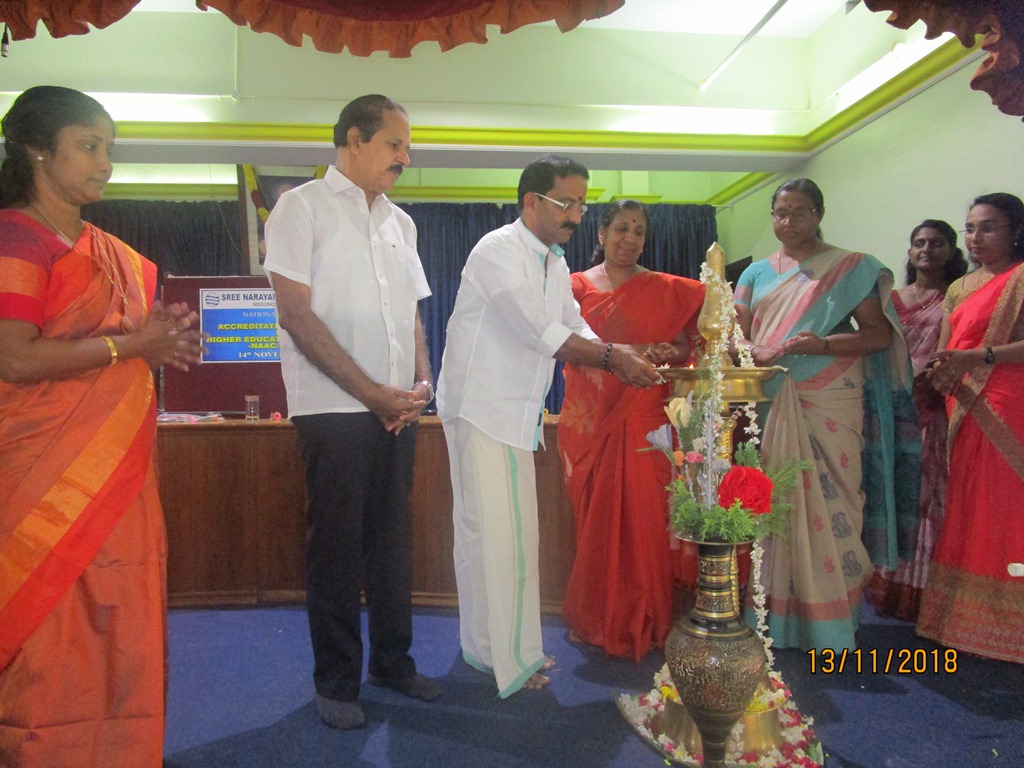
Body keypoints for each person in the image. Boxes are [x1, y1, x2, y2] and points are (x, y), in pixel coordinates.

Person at [0, 86, 205, 766]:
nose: (105, 163)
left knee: (122, 615)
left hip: (117, 477)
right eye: (89, 147)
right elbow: (14, 358)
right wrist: (132, 346)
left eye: (109, 149)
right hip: (40, 478)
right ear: (38, 151)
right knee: (50, 629)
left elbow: (126, 342)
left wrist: (162, 340)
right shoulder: (16, 239)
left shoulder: (111, 252)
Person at [436, 155, 662, 697]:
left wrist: (618, 351)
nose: (576, 215)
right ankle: (511, 661)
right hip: (483, 407)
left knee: (491, 535)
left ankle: (487, 649)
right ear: (531, 201)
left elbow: (572, 322)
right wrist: (612, 358)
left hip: (510, 413)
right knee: (500, 537)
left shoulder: (553, 262)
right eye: (566, 203)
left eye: (582, 204)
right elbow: (536, 330)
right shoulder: (497, 250)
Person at [263, 94, 441, 731]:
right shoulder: (300, 207)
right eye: (394, 144)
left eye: (407, 146)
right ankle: (337, 682)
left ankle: (392, 663)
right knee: (337, 545)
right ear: (354, 141)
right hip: (333, 407)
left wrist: (422, 379)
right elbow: (295, 315)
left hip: (396, 407)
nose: (405, 157)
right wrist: (371, 391)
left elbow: (411, 314)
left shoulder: (402, 223)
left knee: (392, 541)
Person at [733, 178, 917, 652]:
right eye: (780, 213)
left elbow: (877, 335)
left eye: (800, 212)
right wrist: (752, 350)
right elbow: (734, 336)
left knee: (835, 498)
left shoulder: (850, 267)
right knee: (775, 503)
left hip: (830, 395)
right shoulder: (754, 273)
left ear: (819, 214)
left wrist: (823, 344)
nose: (789, 222)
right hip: (772, 396)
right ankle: (772, 617)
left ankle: (829, 624)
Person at [556, 199, 705, 660]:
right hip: (591, 419)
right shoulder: (573, 286)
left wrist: (669, 352)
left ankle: (650, 617)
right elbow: (561, 344)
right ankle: (596, 618)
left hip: (646, 417)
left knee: (647, 520)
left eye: (639, 231)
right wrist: (628, 350)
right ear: (601, 234)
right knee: (596, 522)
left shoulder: (667, 290)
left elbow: (687, 345)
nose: (630, 238)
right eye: (621, 228)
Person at [918, 192, 1024, 663]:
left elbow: (975, 351)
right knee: (967, 501)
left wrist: (978, 357)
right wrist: (939, 372)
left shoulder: (1020, 277)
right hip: (960, 401)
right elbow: (947, 348)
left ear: (1015, 230)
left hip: (1008, 401)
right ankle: (960, 619)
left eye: (989, 227)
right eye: (970, 228)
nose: (976, 237)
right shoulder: (961, 287)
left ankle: (1008, 625)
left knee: (1004, 505)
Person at [866, 220, 967, 622]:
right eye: (919, 243)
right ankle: (884, 580)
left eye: (936, 243)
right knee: (887, 487)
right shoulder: (891, 300)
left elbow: (949, 353)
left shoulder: (955, 298)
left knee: (924, 496)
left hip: (929, 409)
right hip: (887, 408)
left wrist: (925, 385)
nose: (927, 249)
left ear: (951, 251)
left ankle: (920, 590)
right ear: (909, 252)